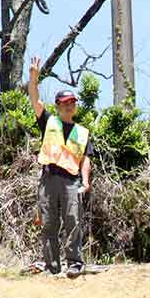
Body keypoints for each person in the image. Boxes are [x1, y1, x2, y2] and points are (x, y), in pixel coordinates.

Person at [28, 56, 94, 278]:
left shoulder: (83, 132)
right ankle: (52, 266)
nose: (69, 105)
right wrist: (33, 79)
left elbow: (86, 158)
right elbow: (35, 102)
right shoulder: (48, 122)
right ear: (57, 106)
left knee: (73, 220)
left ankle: (75, 263)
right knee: (48, 222)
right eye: (65, 102)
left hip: (71, 181)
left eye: (72, 102)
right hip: (48, 179)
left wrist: (85, 182)